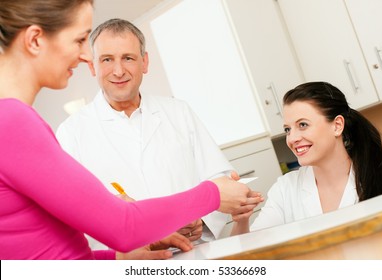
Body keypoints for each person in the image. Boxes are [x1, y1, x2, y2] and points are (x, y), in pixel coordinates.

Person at [0, 0, 261, 260]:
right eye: (79, 40)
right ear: (35, 40)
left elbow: (53, 254)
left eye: (128, 58)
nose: (83, 56)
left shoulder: (17, 120)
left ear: (143, 62)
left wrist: (120, 259)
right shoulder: (13, 122)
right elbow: (121, 226)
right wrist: (212, 194)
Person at [55, 18, 251, 250]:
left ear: (144, 62)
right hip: (130, 265)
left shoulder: (179, 112)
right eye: (107, 60)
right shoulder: (71, 133)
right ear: (92, 67)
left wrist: (202, 220)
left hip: (195, 252)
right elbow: (75, 216)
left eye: (128, 58)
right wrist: (149, 237)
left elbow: (220, 180)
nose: (118, 71)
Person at [231, 81, 382, 235]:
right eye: (287, 129)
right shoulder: (286, 188)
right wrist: (241, 220)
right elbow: (250, 252)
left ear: (337, 125)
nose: (292, 139)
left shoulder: (379, 178)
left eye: (303, 125)